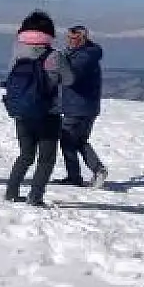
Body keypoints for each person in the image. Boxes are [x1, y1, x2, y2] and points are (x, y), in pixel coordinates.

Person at [2, 10, 75, 207]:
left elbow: (9, 76)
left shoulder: (17, 52)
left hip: (22, 113)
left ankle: (11, 191)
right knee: (46, 158)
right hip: (48, 114)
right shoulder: (54, 56)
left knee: (25, 154)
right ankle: (35, 196)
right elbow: (69, 79)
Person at [56, 25, 109, 188]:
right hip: (84, 105)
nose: (70, 41)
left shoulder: (83, 57)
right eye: (69, 38)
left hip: (78, 106)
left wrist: (59, 60)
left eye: (74, 38)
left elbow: (70, 76)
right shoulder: (86, 54)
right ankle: (86, 172)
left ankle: (86, 172)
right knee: (77, 140)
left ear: (83, 39)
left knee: (68, 139)